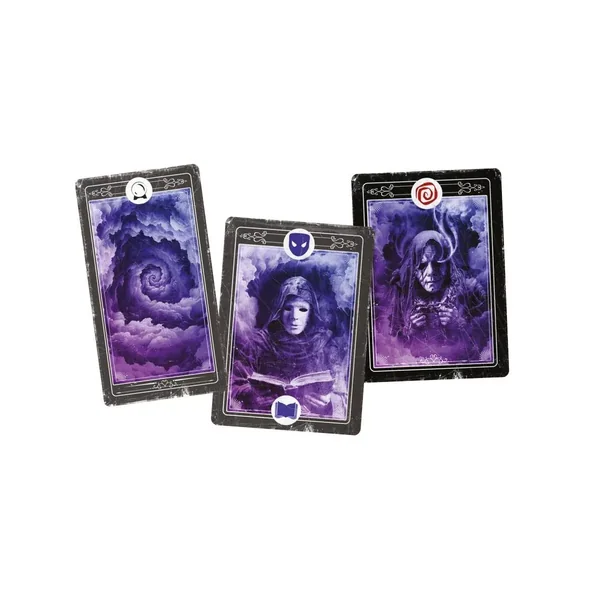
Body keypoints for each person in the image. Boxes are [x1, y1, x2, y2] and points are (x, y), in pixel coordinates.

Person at [230, 276, 345, 417]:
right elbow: (232, 386)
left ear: (311, 313)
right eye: (288, 308)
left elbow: (343, 395)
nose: (294, 316)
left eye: (302, 309)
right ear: (279, 310)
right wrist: (253, 396)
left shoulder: (325, 344)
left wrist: (327, 401)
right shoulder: (258, 343)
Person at [389, 230, 487, 362]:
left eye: (438, 264)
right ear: (413, 268)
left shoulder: (470, 289)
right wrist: (410, 331)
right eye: (422, 265)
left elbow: (487, 336)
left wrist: (459, 323)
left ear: (448, 265)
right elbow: (391, 345)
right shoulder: (401, 291)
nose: (430, 272)